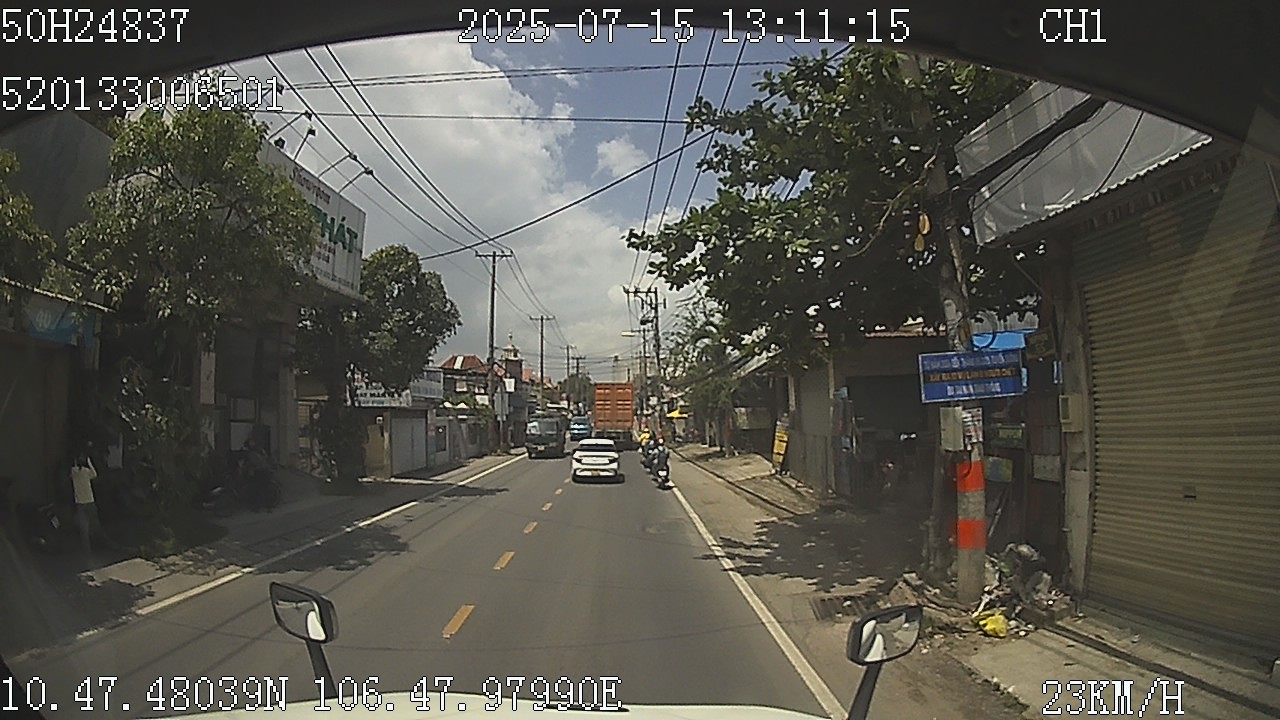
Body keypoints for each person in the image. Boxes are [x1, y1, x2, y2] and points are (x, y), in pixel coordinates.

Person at [70, 449, 101, 557]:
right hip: (89, 501)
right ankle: (95, 548)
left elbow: (75, 469)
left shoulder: (74, 472)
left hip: (81, 504)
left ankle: (87, 553)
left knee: (84, 530)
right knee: (93, 526)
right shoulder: (85, 472)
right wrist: (89, 462)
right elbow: (95, 474)